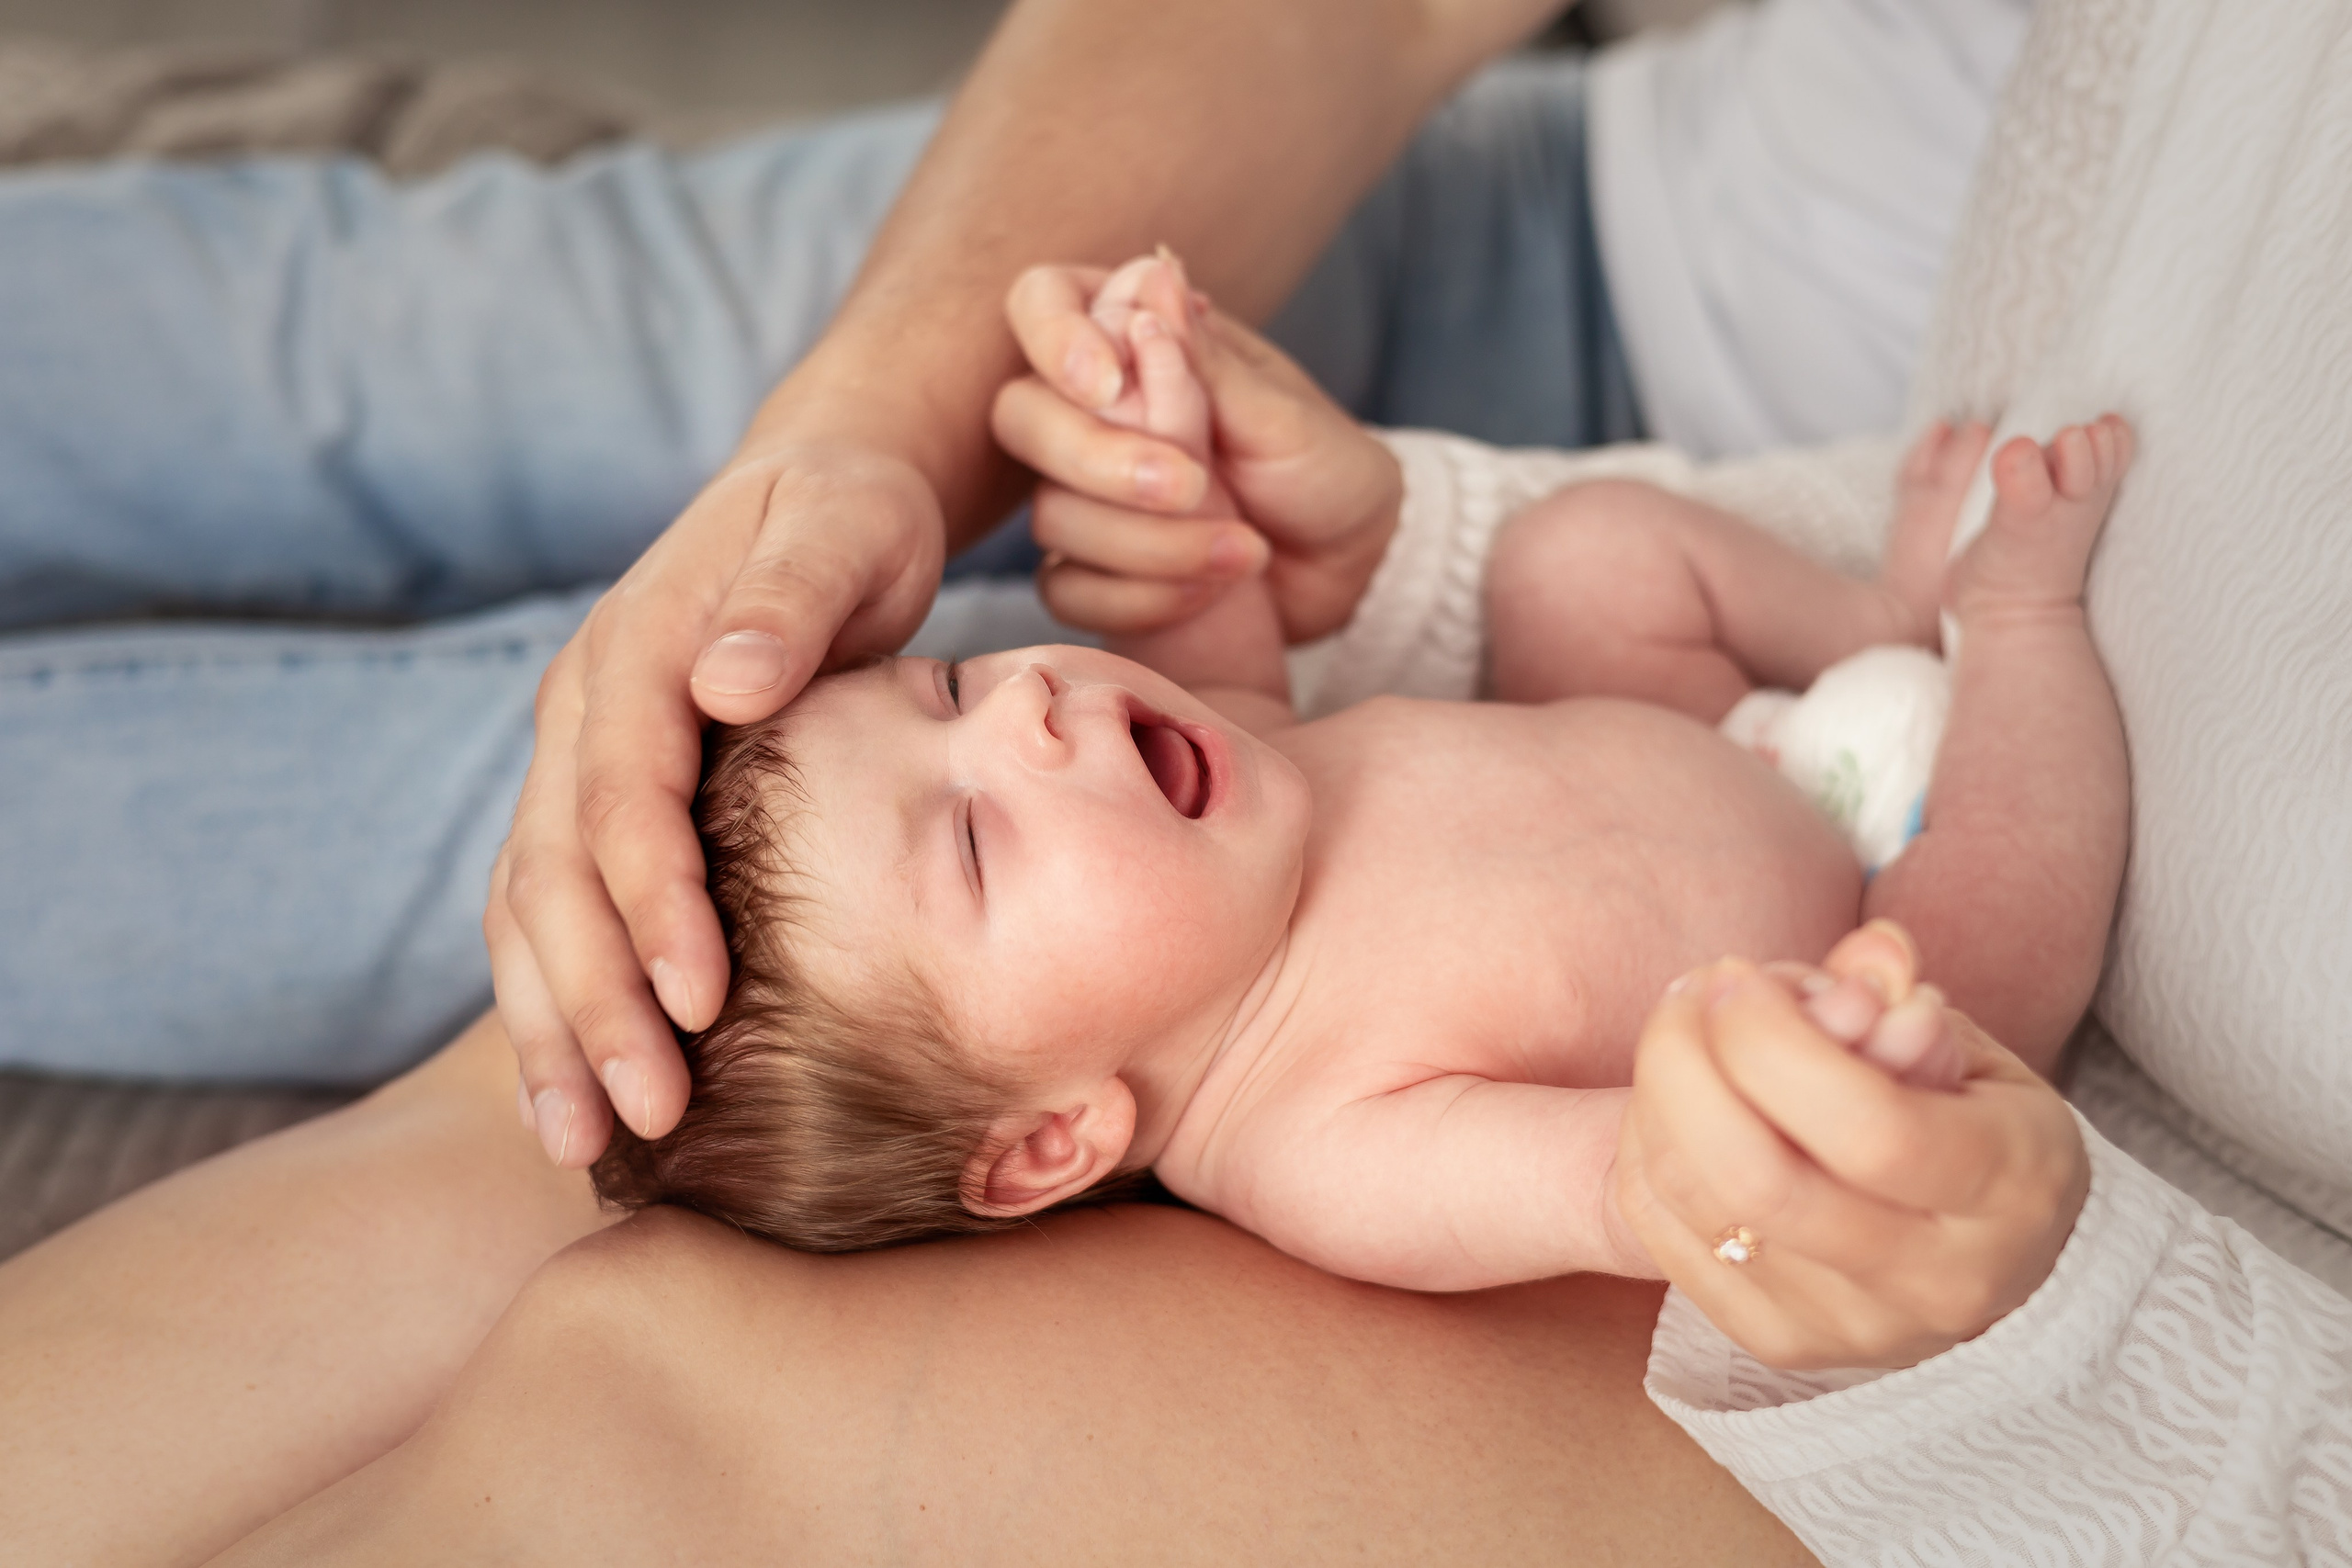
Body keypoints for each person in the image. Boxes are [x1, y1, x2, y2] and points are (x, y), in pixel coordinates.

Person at [0, 0, 2034, 1152]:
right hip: (1575, 218)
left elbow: (1637, 1181)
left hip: (1725, 596)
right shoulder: (1198, 821)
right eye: (970, 719)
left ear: (1056, 1135)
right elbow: (1228, 655)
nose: (1026, 692)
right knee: (462, 353)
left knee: (597, 868)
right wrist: (1089, 446)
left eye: (977, 746)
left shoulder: (1288, 1078)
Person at [582, 254, 2127, 1285]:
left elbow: (1217, 609)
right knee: (1989, 960)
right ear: (1057, 1136)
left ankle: (1874, 610)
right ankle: (2016, 621)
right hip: (1873, 927)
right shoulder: (1329, 1151)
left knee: (1571, 562)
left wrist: (1156, 435)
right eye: (977, 841)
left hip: (1731, 736)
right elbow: (1618, 1184)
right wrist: (1789, 1100)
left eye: (950, 683)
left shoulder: (1222, 778)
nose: (1028, 706)